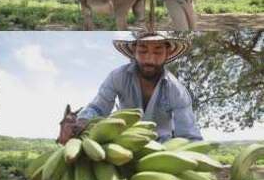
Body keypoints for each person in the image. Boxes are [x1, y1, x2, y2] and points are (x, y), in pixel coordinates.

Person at [71, 32, 202, 143]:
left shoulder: (177, 91)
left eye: (158, 52)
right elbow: (99, 107)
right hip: (123, 144)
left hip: (161, 150)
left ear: (167, 53)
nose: (149, 59)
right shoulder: (118, 77)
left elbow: (189, 134)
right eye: (143, 51)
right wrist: (83, 121)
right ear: (134, 51)